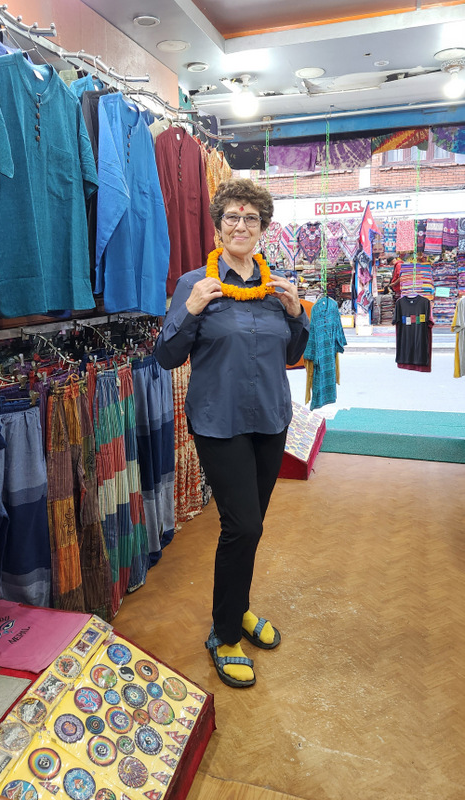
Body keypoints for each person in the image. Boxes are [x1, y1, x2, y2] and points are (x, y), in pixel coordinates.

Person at [154, 178, 310, 688]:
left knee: (253, 525)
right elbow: (166, 356)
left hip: (270, 419)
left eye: (251, 218)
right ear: (219, 226)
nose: (241, 226)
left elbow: (293, 354)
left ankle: (238, 607)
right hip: (219, 422)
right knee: (241, 526)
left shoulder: (275, 287)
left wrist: (296, 315)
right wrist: (191, 309)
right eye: (232, 217)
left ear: (263, 228)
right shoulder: (195, 283)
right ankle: (224, 634)